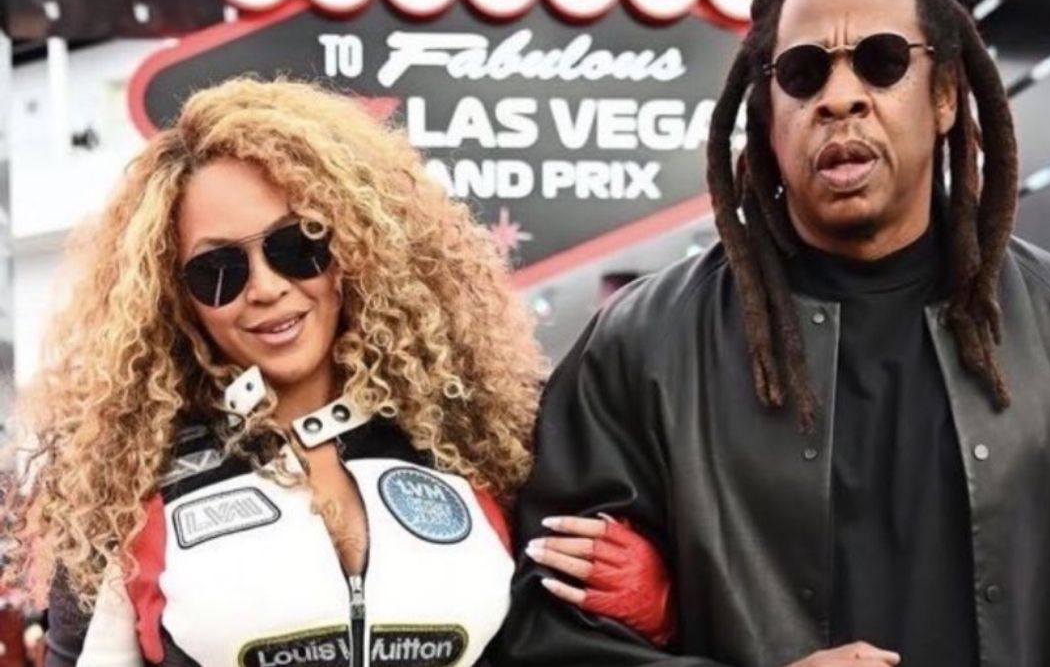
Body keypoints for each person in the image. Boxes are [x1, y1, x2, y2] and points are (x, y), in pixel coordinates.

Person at [497, 0, 1050, 666]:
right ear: (768, 112)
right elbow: (544, 638)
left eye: (883, 62)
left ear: (944, 96)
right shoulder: (644, 345)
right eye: (802, 73)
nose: (841, 98)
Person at [3, 77, 664, 666]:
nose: (265, 288)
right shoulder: (128, 480)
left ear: (352, 247)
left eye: (298, 246)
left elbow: (560, 640)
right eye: (218, 270)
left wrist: (659, 606)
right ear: (177, 298)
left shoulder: (481, 446)